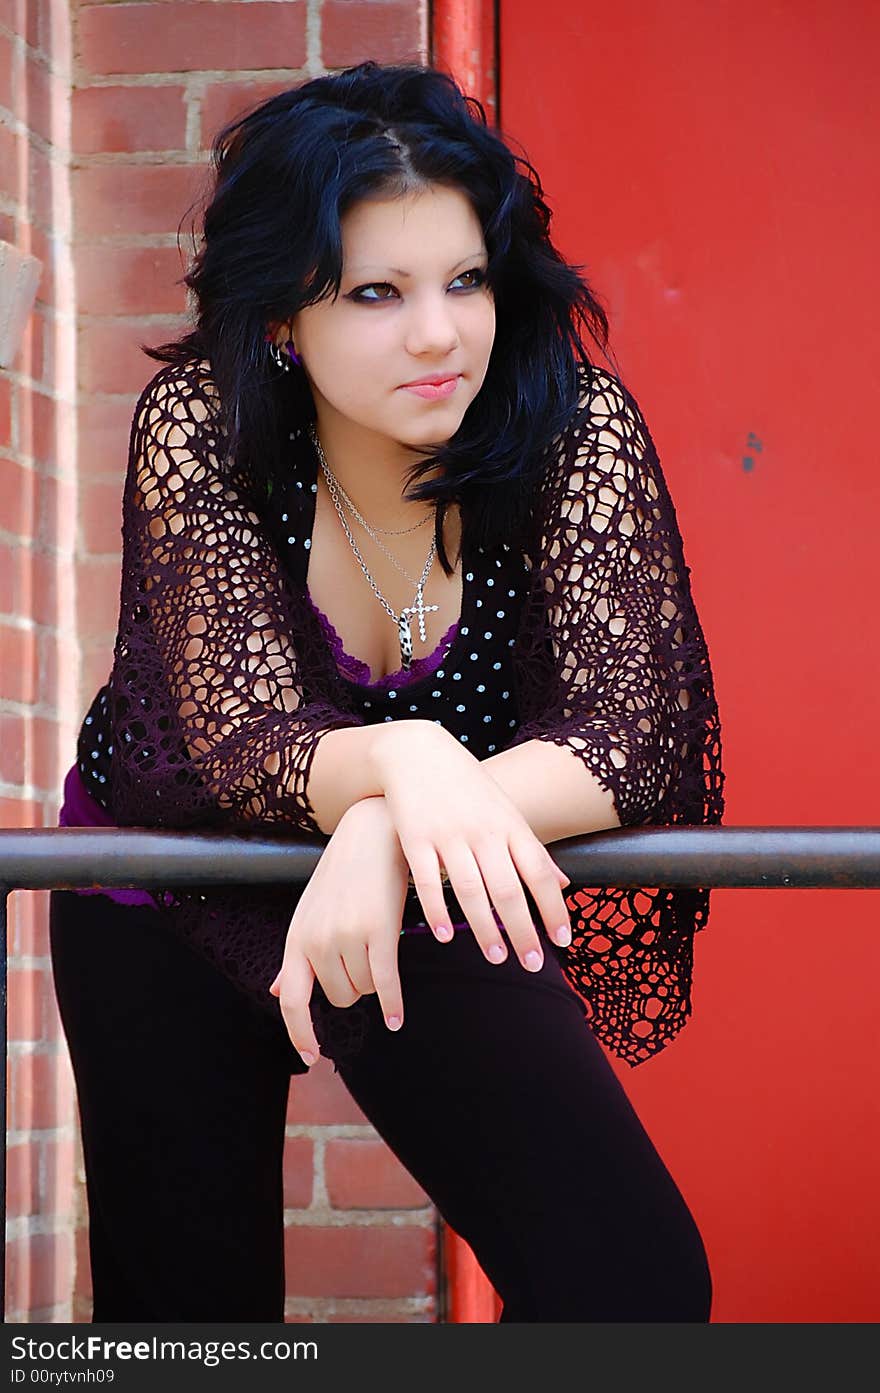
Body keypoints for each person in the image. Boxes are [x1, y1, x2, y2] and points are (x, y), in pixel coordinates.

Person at [49, 60, 725, 1322]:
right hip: (168, 876)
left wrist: (387, 819)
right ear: (278, 319)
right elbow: (250, 740)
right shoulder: (198, 420)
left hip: (413, 869)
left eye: (464, 280)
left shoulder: (573, 431)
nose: (437, 332)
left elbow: (631, 735)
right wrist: (406, 759)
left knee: (626, 1283)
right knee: (192, 1335)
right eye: (375, 291)